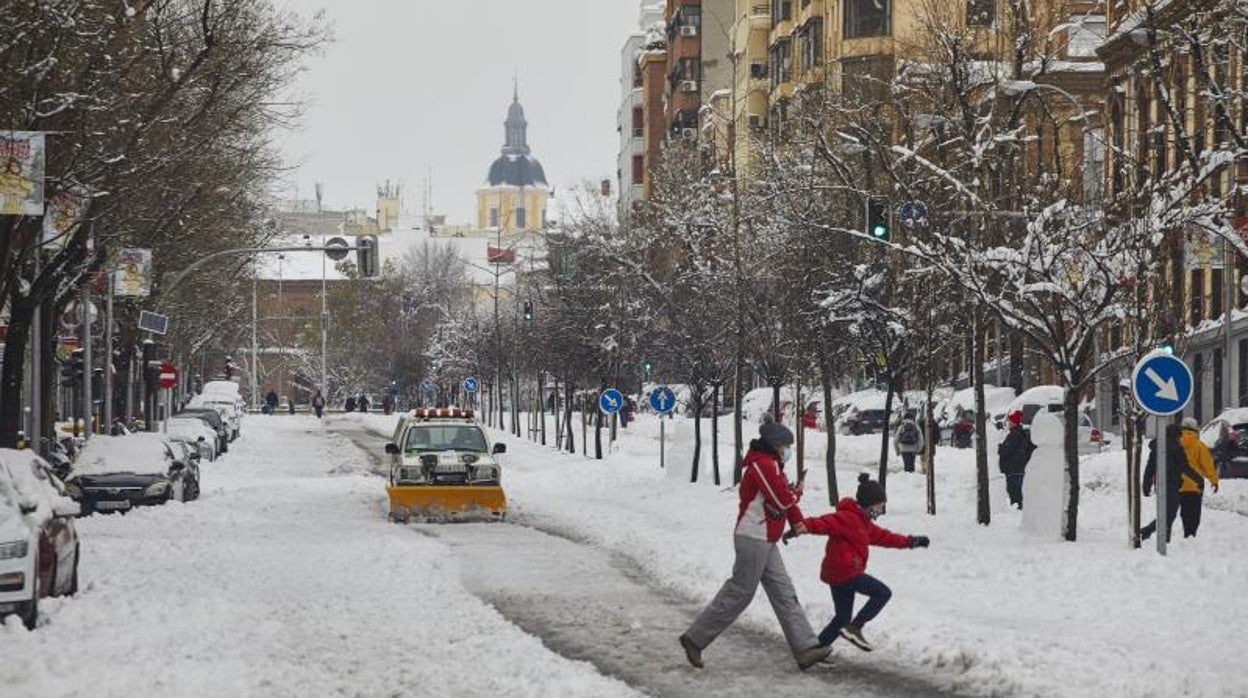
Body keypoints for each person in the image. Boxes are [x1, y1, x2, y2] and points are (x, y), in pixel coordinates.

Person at [679, 418, 831, 671]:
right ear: (774, 445)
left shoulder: (773, 465)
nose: (788, 450)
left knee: (784, 592)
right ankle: (695, 638)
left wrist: (798, 521)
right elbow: (783, 500)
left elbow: (784, 500)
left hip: (766, 538)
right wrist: (797, 492)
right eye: (786, 445)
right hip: (752, 536)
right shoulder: (761, 465)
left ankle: (806, 649)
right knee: (740, 592)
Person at [797, 473, 930, 653]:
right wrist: (805, 526)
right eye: (879, 506)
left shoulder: (863, 523)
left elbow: (886, 537)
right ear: (869, 504)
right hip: (846, 572)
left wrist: (910, 541)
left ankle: (813, 652)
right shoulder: (848, 517)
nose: (880, 510)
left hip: (838, 573)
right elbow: (825, 522)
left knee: (842, 619)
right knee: (882, 593)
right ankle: (856, 627)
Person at [1177, 417, 1220, 537]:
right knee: (1195, 511)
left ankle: (1186, 530)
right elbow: (1208, 466)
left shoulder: (1175, 443)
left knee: (1184, 511)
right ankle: (1192, 533)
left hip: (1178, 484)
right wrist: (1214, 480)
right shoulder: (1199, 446)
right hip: (1196, 485)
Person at [1141, 424, 1184, 542]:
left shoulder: (1157, 446)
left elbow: (1150, 468)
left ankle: (1164, 539)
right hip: (1173, 485)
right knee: (1169, 514)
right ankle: (1147, 531)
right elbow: (1184, 466)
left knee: (1166, 512)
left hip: (1160, 485)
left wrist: (1146, 485)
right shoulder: (1176, 446)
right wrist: (1196, 478)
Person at [997, 410, 1035, 509]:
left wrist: (1000, 447)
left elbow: (1005, 451)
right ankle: (1020, 508)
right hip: (1020, 468)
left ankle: (1017, 510)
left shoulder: (1014, 435)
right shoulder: (1024, 434)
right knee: (1019, 491)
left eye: (1010, 421)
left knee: (1014, 491)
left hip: (1013, 469)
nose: (1008, 423)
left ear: (1014, 422)